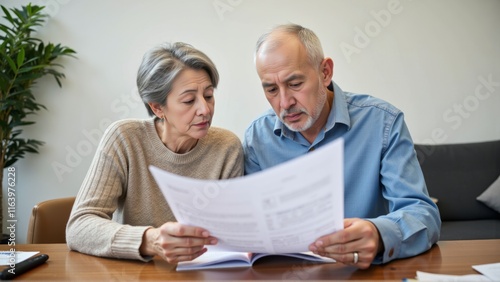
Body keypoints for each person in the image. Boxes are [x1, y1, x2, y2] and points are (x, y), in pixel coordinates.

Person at [243, 23, 441, 269]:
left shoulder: (383, 123)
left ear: (325, 72)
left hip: (364, 273)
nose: (284, 103)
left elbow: (423, 214)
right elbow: (252, 225)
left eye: (295, 84)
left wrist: (379, 235)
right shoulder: (257, 138)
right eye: (271, 89)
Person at [66, 42, 244, 263]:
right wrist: (151, 240)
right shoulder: (125, 139)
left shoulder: (227, 147)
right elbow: (79, 226)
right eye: (189, 100)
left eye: (208, 96)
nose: (205, 109)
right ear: (157, 108)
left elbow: (234, 233)